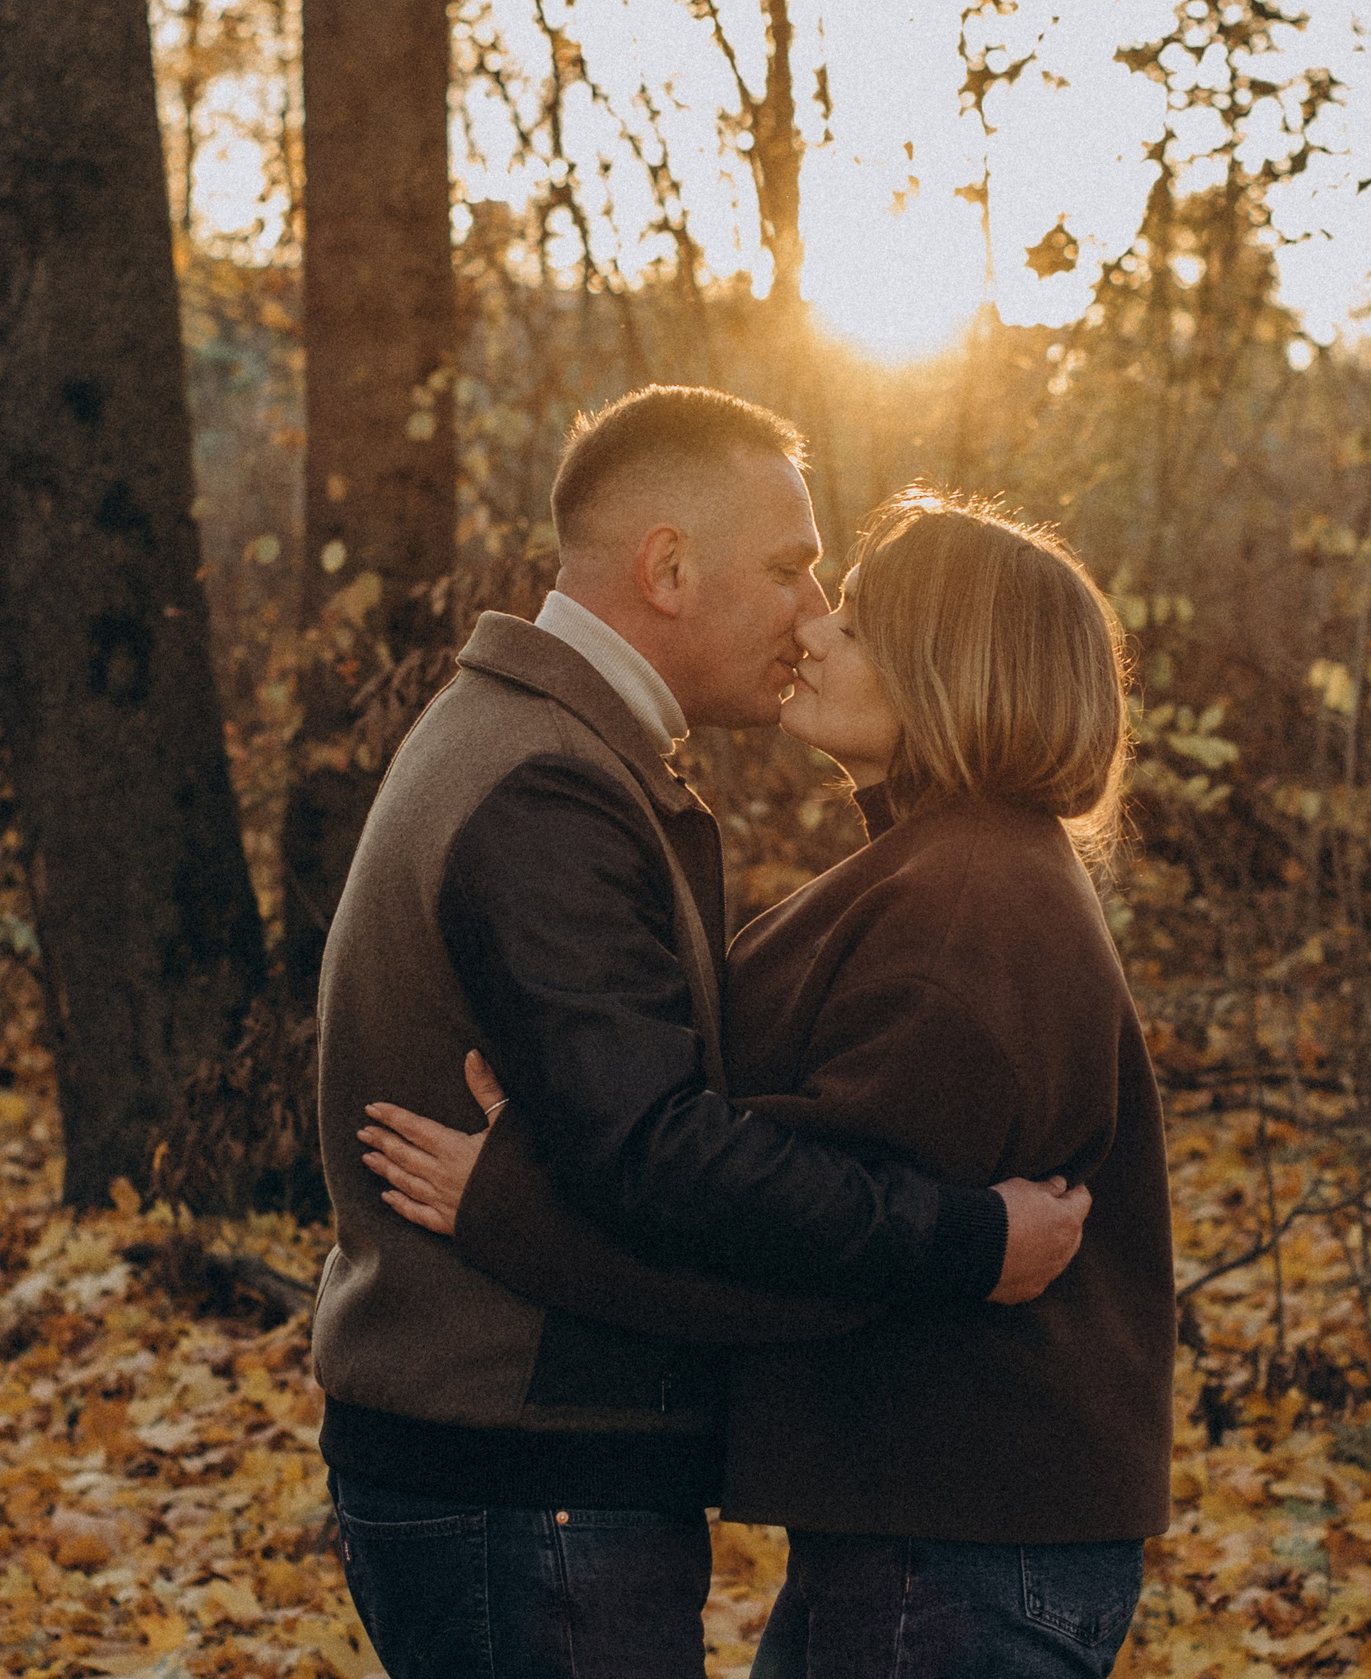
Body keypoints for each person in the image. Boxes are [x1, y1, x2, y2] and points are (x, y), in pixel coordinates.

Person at [308, 387, 1091, 1679]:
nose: (813, 613)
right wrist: (968, 1239)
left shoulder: (548, 751)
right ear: (668, 568)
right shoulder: (546, 788)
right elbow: (665, 1165)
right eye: (790, 570)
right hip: (528, 1479)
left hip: (533, 1470)